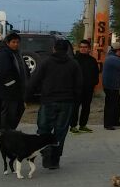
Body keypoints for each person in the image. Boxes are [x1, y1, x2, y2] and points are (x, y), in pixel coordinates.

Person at [26, 39, 81, 170]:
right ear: (67, 50)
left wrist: (27, 97)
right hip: (67, 102)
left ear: (54, 48)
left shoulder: (46, 62)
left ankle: (46, 153)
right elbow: (79, 86)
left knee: (44, 129)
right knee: (60, 131)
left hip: (48, 101)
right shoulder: (74, 64)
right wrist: (76, 103)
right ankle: (55, 160)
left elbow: (34, 81)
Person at [0, 32, 28, 131]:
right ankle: (6, 131)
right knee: (10, 111)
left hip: (19, 89)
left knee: (18, 110)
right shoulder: (4, 54)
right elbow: (4, 73)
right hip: (9, 90)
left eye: (17, 42)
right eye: (13, 42)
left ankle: (11, 129)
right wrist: (12, 85)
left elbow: (23, 69)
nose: (16, 44)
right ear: (8, 43)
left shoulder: (17, 53)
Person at [70, 39, 100, 134]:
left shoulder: (92, 60)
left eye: (85, 47)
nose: (83, 49)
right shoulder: (74, 59)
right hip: (76, 89)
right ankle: (73, 126)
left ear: (89, 49)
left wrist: (94, 83)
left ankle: (83, 125)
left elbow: (96, 74)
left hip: (88, 89)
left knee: (86, 107)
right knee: (75, 108)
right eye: (81, 47)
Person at [102, 42, 120, 129]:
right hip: (110, 86)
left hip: (115, 85)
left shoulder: (114, 57)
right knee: (110, 105)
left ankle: (115, 121)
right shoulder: (112, 59)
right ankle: (108, 124)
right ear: (118, 50)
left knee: (116, 104)